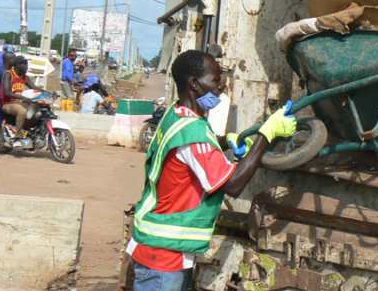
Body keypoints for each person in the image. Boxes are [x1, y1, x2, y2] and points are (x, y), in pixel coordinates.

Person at [126, 50, 297, 291]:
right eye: (215, 80)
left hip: (160, 248)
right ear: (194, 83)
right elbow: (234, 185)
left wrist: (226, 141)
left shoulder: (176, 115)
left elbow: (197, 148)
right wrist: (266, 135)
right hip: (163, 258)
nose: (221, 87)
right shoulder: (193, 132)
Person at [1, 56, 50, 144]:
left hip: (19, 102)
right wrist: (22, 98)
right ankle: (17, 138)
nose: (27, 66)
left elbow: (35, 88)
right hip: (8, 103)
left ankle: (29, 131)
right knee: (22, 111)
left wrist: (48, 94)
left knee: (37, 110)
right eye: (24, 64)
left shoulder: (24, 77)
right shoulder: (9, 74)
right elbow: (6, 92)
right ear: (17, 65)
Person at [0, 52, 16, 142]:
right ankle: (0, 134)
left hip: (10, 98)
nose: (15, 60)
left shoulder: (13, 71)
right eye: (13, 58)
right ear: (7, 60)